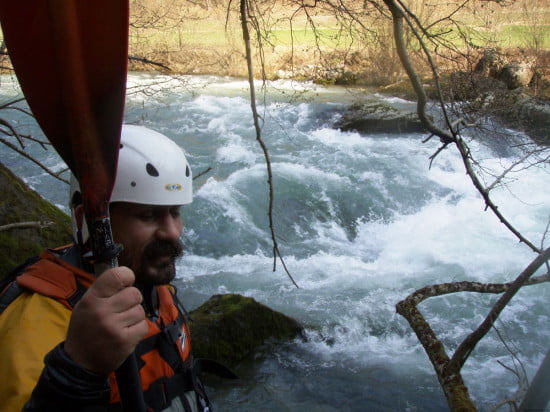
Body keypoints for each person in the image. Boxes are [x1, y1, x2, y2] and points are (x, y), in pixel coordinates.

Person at [0, 125, 225, 411]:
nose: (172, 232)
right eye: (147, 215)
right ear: (88, 221)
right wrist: (76, 370)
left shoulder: (149, 283)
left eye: (175, 212)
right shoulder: (34, 324)